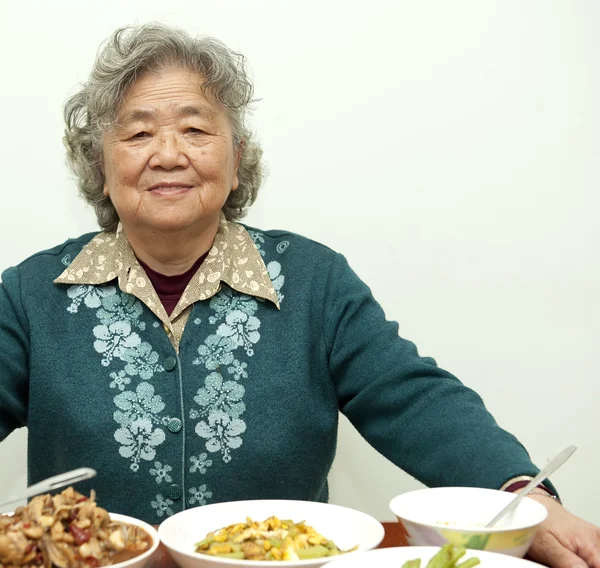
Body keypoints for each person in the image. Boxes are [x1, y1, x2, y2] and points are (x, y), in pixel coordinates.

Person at [0, 23, 597, 567]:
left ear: (236, 161)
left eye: (195, 129)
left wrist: (522, 500)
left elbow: (414, 399)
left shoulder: (314, 279)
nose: (168, 153)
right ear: (100, 165)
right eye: (137, 132)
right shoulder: (30, 293)